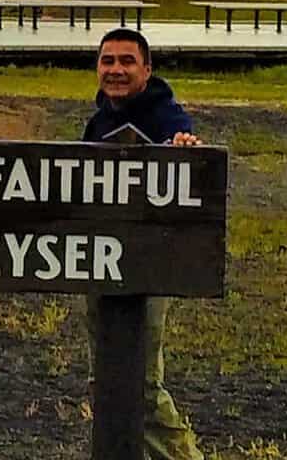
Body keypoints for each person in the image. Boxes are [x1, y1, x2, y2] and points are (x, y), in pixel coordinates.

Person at [82, 27, 203, 460]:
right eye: (107, 61)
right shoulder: (96, 123)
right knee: (105, 379)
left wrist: (184, 148)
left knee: (143, 387)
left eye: (127, 61)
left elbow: (184, 146)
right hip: (97, 265)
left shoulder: (164, 114)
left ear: (147, 70)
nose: (115, 69)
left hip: (147, 271)